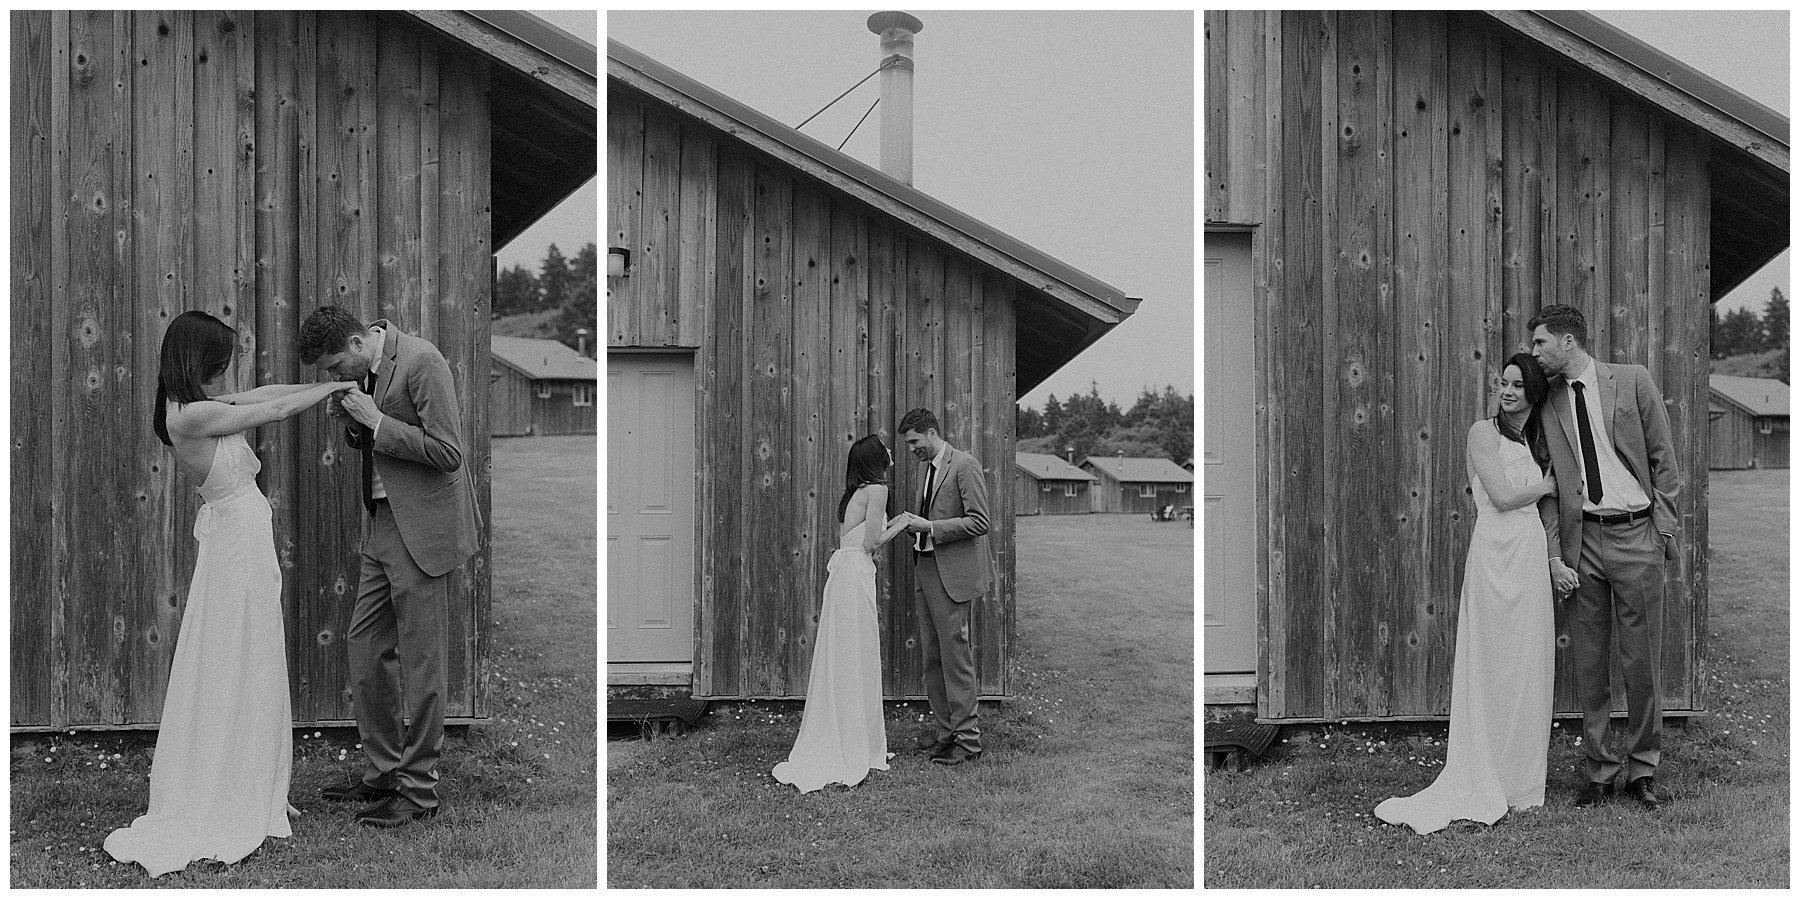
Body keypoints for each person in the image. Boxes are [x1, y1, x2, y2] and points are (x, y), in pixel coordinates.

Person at [106, 311, 356, 876]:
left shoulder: (193, 405)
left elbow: (265, 392)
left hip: (241, 535)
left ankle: (251, 780)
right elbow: (271, 409)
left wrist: (329, 384)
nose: (223, 370)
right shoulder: (191, 416)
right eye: (217, 360)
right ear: (197, 359)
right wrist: (329, 388)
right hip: (236, 541)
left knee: (249, 652)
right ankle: (230, 788)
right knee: (237, 654)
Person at [298, 306, 481, 827]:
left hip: (421, 531)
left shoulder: (423, 362)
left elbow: (448, 452)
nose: (334, 378)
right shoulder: (369, 368)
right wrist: (357, 429)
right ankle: (383, 773)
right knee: (365, 644)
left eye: (335, 367)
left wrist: (376, 420)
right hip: (381, 524)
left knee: (422, 661)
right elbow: (381, 447)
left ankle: (419, 792)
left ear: (358, 344)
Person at [1374, 353, 1560, 834]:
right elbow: (1499, 496)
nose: (1508, 391)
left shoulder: (1539, 439)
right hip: (1494, 551)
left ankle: (1521, 781)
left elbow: (1550, 512)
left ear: (1535, 393)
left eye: (1519, 385)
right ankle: (1482, 770)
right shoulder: (1483, 432)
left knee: (1526, 661)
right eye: (1504, 383)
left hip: (1529, 552)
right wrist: (1545, 485)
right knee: (1491, 660)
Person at [1528, 304, 1679, 810]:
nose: (1535, 354)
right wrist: (1555, 555)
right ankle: (1599, 772)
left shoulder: (1632, 380)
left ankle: (1642, 771)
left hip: (1637, 536)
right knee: (1590, 664)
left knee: (1642, 663)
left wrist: (1662, 528)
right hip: (1582, 543)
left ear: (1568, 342)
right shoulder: (1545, 401)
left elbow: (1664, 457)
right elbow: (1546, 489)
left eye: (1541, 344)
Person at [773, 435, 914, 792]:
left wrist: (893, 521)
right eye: (886, 450)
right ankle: (854, 746)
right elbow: (871, 543)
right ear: (877, 459)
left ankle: (852, 741)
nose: (891, 454)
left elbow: (860, 537)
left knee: (848, 655)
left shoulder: (857, 492)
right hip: (854, 577)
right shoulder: (877, 489)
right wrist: (906, 521)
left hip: (846, 577)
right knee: (858, 654)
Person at [897, 408, 993, 766]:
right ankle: (945, 736)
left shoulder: (964, 465)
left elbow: (979, 521)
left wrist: (931, 528)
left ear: (932, 433)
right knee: (933, 658)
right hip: (925, 569)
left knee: (956, 659)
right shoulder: (926, 468)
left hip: (951, 577)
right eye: (908, 445)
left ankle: (968, 744)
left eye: (915, 442)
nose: (911, 450)